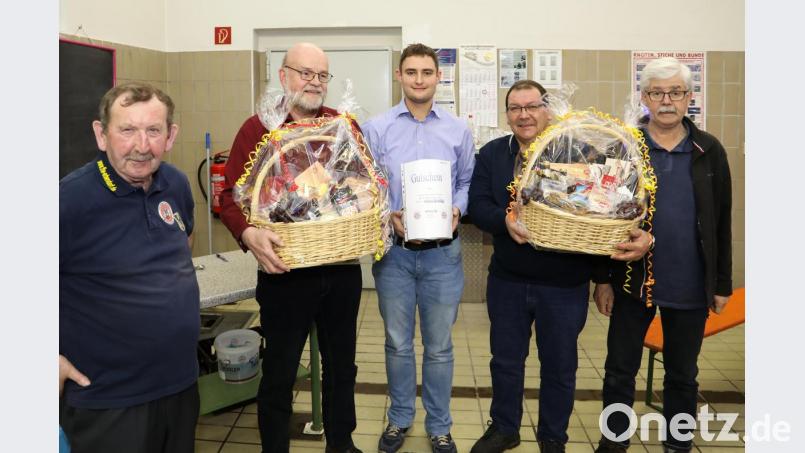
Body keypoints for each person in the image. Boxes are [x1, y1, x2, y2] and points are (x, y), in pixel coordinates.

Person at [467, 80, 652, 453]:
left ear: (547, 110)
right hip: (508, 279)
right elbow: (478, 206)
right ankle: (504, 427)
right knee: (505, 361)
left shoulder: (578, 153)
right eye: (515, 108)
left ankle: (553, 436)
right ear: (507, 115)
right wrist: (504, 221)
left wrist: (602, 279)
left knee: (560, 367)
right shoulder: (492, 154)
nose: (524, 115)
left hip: (565, 284)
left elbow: (601, 212)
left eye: (532, 106)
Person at [219, 42, 363, 453]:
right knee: (280, 371)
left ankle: (342, 442)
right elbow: (229, 195)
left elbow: (364, 183)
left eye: (322, 76)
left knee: (342, 368)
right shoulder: (257, 128)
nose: (314, 83)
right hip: (282, 269)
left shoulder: (340, 126)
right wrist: (248, 234)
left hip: (338, 266)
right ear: (283, 76)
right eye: (306, 73)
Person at [593, 57, 733, 453]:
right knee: (620, 370)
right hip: (631, 281)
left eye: (675, 92)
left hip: (690, 283)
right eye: (657, 92)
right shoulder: (626, 147)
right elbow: (602, 216)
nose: (666, 101)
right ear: (644, 97)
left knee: (683, 374)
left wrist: (721, 284)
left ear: (689, 96)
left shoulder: (710, 151)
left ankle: (678, 442)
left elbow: (722, 221)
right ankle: (614, 441)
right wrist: (602, 279)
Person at [59, 82, 200, 453]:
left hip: (180, 388)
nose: (142, 146)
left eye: (153, 130)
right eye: (127, 130)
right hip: (109, 400)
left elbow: (183, 243)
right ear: (101, 135)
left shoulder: (176, 184)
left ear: (171, 136)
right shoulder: (69, 201)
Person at [361, 43, 475, 453]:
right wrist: (389, 211)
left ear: (438, 77)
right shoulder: (376, 128)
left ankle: (440, 425)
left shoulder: (459, 130)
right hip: (394, 253)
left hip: (444, 254)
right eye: (411, 72)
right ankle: (399, 419)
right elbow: (368, 187)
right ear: (399, 76)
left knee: (440, 346)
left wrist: (458, 209)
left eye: (427, 72)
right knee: (397, 342)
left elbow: (466, 183)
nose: (419, 80)